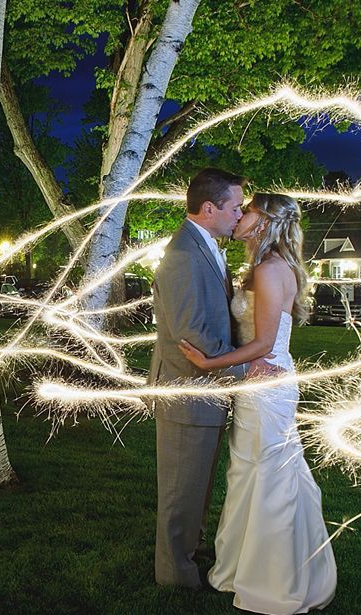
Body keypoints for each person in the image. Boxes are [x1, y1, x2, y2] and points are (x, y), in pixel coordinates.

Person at [178, 192, 337, 615]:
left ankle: (273, 580)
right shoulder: (261, 268)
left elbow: (264, 343)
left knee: (267, 476)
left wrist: (211, 362)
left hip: (268, 386)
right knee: (248, 472)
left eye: (247, 209)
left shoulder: (269, 271)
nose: (240, 214)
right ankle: (242, 568)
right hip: (260, 384)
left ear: (264, 221)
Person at [148, 168, 278, 590]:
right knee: (181, 491)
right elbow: (194, 336)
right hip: (189, 392)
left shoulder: (204, 247)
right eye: (235, 206)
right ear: (209, 208)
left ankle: (191, 550)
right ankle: (176, 578)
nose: (239, 214)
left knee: (196, 484)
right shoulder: (185, 255)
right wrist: (246, 368)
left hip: (206, 391)